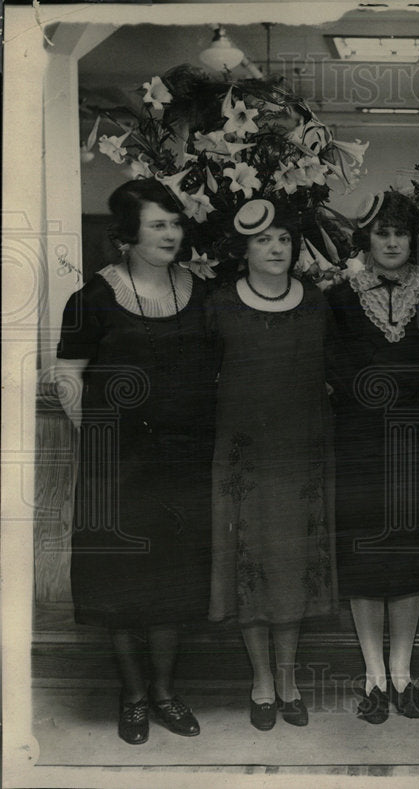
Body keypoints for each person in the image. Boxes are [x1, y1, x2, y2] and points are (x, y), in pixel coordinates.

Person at [54, 178, 216, 745]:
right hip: (117, 471)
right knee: (121, 586)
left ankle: (167, 695)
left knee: (173, 584)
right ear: (127, 235)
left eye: (175, 223)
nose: (171, 234)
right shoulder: (92, 299)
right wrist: (96, 436)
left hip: (183, 466)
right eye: (157, 225)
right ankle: (134, 697)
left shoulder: (199, 292)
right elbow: (68, 375)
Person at [327, 190, 419, 724]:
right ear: (367, 239)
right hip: (360, 444)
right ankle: (373, 676)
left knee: (409, 559)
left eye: (399, 233)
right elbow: (339, 375)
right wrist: (402, 382)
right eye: (381, 233)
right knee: (365, 561)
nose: (390, 242)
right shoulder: (338, 298)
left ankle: (403, 673)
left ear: (414, 239)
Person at [208, 199, 336, 731]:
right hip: (241, 460)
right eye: (263, 240)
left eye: (283, 238)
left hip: (301, 460)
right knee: (249, 565)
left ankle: (288, 680)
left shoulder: (317, 306)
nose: (276, 248)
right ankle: (260, 681)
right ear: (243, 250)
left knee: (290, 569)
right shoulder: (218, 306)